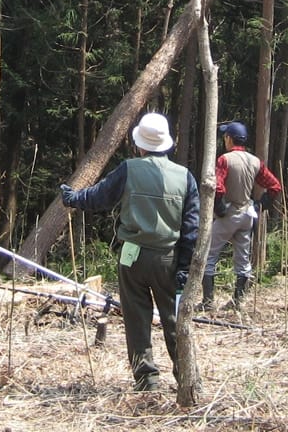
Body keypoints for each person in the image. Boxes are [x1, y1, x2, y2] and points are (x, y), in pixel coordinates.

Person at [59, 112, 200, 392]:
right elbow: (191, 227)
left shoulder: (129, 168)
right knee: (173, 321)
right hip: (168, 259)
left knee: (136, 320)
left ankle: (146, 381)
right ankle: (186, 378)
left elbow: (99, 196)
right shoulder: (185, 177)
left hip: (133, 256)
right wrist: (184, 266)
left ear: (139, 143)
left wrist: (73, 198)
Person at [201, 120, 282, 312]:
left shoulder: (225, 159)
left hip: (229, 213)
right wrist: (261, 204)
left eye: (225, 136)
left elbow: (218, 186)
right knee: (243, 260)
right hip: (247, 214)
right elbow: (274, 186)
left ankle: (207, 302)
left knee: (208, 255)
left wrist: (219, 208)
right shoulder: (255, 161)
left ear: (229, 138)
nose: (224, 140)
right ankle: (238, 302)